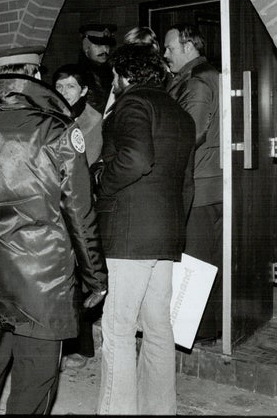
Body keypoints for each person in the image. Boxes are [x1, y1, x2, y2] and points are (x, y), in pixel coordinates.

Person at [0, 56, 108, 414]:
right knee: (33, 386)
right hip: (42, 282)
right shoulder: (57, 130)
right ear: (31, 78)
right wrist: (95, 276)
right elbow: (79, 212)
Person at [95, 44, 195, 415]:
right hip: (166, 234)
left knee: (118, 330)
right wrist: (174, 227)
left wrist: (102, 181)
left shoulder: (132, 104)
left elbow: (136, 158)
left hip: (130, 235)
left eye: (114, 77)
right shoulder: (180, 114)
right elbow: (187, 183)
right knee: (158, 330)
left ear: (123, 75)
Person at [163, 23, 223, 345]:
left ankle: (196, 332)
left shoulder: (197, 81)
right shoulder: (207, 75)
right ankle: (208, 329)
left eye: (170, 48)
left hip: (199, 185)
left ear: (188, 46)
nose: (165, 54)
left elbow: (191, 132)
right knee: (208, 261)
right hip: (211, 183)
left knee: (196, 262)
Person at [51, 64, 103, 371]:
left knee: (79, 279)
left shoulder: (91, 120)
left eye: (70, 86)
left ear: (83, 91)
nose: (63, 92)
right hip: (55, 206)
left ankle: (81, 348)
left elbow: (85, 166)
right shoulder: (53, 114)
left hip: (78, 206)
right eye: (59, 86)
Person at [78, 23, 117, 114]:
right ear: (86, 48)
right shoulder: (79, 75)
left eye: (107, 46)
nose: (105, 50)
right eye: (98, 46)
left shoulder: (113, 72)